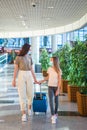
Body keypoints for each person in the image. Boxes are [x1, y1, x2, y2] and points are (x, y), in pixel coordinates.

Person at [12, 43, 38, 122]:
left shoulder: (30, 57)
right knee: (22, 94)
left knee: (31, 93)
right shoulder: (18, 58)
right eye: (29, 48)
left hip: (29, 75)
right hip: (21, 74)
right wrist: (14, 79)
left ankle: (29, 108)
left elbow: (32, 69)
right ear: (26, 49)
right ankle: (23, 113)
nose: (30, 49)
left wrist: (35, 79)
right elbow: (16, 69)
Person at [39, 56, 62, 124]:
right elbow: (48, 77)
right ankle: (53, 115)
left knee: (56, 101)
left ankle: (55, 113)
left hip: (56, 87)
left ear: (55, 61)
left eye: (51, 60)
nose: (50, 61)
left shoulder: (59, 70)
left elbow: (60, 81)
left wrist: (58, 89)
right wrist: (42, 81)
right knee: (51, 101)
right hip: (50, 87)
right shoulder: (49, 68)